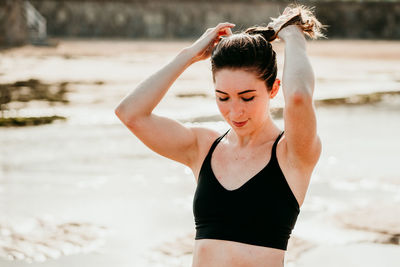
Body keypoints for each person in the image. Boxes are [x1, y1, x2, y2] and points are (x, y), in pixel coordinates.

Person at [115, 4, 325, 267]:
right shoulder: (203, 147)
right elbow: (131, 114)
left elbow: (298, 97)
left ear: (273, 89)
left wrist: (293, 35)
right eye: (222, 97)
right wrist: (190, 55)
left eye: (247, 97)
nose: (235, 111)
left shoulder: (292, 153)